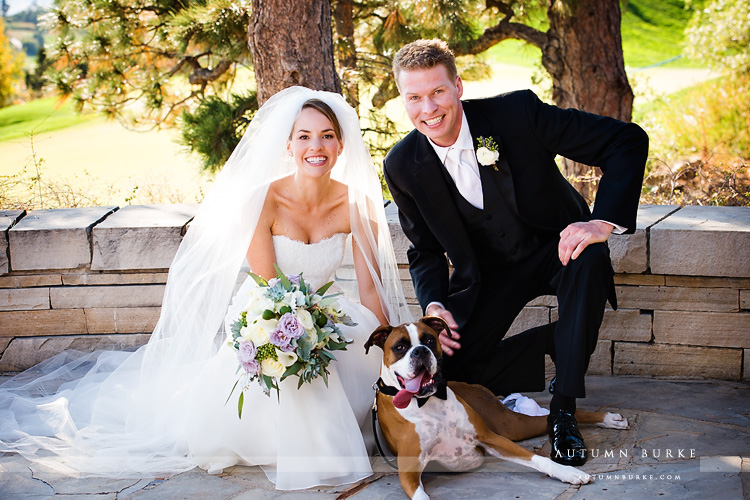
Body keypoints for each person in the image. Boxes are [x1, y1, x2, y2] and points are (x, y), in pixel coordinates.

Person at [0, 87, 411, 490]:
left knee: (352, 347)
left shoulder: (357, 204)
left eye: (326, 136)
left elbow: (370, 288)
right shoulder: (262, 199)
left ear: (340, 144)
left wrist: (395, 350)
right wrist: (295, 331)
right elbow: (268, 282)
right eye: (304, 136)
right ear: (288, 144)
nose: (315, 146)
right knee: (289, 366)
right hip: (268, 310)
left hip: (326, 308)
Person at [383, 39, 648, 467]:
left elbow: (626, 141)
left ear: (458, 87)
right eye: (414, 97)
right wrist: (434, 303)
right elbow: (425, 249)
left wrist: (600, 222)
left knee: (590, 258)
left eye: (437, 92)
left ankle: (562, 409)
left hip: (555, 247)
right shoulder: (401, 164)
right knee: (454, 372)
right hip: (487, 275)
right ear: (403, 99)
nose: (428, 109)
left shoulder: (516, 113)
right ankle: (553, 341)